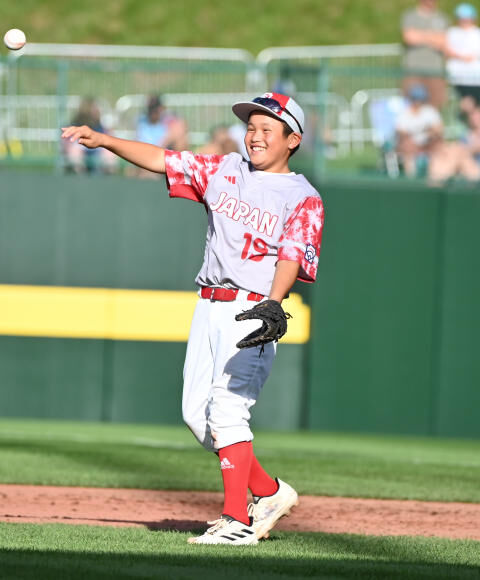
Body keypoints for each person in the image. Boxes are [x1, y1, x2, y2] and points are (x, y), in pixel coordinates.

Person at [61, 92, 324, 546]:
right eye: (251, 127)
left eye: (267, 129)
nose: (255, 135)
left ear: (292, 139)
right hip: (208, 303)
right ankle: (269, 492)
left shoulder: (303, 197)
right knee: (197, 417)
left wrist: (275, 303)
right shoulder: (225, 170)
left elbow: (291, 254)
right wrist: (103, 140)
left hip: (253, 309)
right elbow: (163, 159)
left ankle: (235, 519)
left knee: (227, 410)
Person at [401, 0, 451, 109]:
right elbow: (409, 37)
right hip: (413, 70)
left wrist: (421, 35)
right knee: (411, 106)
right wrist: (433, 37)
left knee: (435, 107)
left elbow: (444, 41)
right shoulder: (410, 16)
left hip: (435, 71)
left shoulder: (442, 18)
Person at [444, 3, 480, 114]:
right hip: (457, 77)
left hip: (475, 78)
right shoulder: (452, 32)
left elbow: (473, 55)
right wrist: (461, 56)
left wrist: (458, 55)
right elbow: (447, 50)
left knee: (475, 108)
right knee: (464, 106)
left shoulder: (478, 33)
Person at [428, 105, 480, 183]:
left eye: (477, 116)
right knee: (451, 154)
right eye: (473, 116)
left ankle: (438, 179)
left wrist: (464, 150)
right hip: (463, 170)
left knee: (456, 153)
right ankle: (439, 178)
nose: (475, 119)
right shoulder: (465, 135)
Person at [395, 83, 444, 177]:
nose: (418, 102)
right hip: (411, 145)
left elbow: (438, 129)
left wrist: (428, 135)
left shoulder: (429, 111)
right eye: (416, 99)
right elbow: (400, 132)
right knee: (407, 145)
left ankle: (435, 177)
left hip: (428, 143)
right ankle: (412, 178)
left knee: (438, 144)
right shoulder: (404, 114)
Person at [63, 98, 117, 174]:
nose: (97, 111)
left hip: (97, 150)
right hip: (80, 150)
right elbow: (67, 144)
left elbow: (108, 138)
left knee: (109, 153)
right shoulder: (74, 126)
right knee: (75, 153)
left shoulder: (101, 127)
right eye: (93, 109)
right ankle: (81, 179)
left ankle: (107, 179)